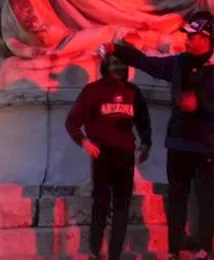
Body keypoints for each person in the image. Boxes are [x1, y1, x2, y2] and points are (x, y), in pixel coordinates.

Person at [111, 12, 214, 257]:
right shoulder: (179, 63)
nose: (188, 39)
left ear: (205, 38)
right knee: (177, 197)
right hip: (177, 142)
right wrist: (117, 49)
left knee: (205, 197)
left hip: (205, 144)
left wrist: (198, 104)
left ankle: (205, 247)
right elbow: (149, 64)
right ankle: (176, 248)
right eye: (188, 35)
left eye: (193, 36)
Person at [65, 54, 151, 260]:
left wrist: (146, 144)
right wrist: (84, 142)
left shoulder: (133, 91)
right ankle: (95, 250)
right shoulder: (92, 91)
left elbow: (144, 123)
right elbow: (72, 122)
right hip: (102, 153)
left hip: (125, 154)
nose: (118, 67)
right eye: (114, 63)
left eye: (122, 62)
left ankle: (115, 254)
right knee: (101, 203)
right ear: (105, 65)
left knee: (122, 206)